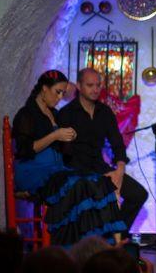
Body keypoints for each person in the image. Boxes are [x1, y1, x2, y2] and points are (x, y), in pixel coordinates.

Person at [13, 70, 126, 246]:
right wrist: (55, 135)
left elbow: (62, 151)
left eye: (62, 93)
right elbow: (25, 149)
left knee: (98, 181)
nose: (59, 97)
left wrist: (69, 139)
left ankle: (107, 244)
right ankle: (74, 244)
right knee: (78, 184)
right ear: (44, 89)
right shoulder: (27, 114)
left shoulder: (55, 114)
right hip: (33, 171)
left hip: (56, 170)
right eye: (57, 92)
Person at [58, 68, 148, 238]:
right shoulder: (66, 113)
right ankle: (96, 238)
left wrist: (119, 170)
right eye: (90, 85)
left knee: (138, 194)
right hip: (76, 170)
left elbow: (117, 144)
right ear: (79, 86)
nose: (95, 89)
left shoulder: (105, 112)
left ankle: (115, 236)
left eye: (98, 85)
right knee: (98, 198)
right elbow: (64, 154)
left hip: (99, 167)